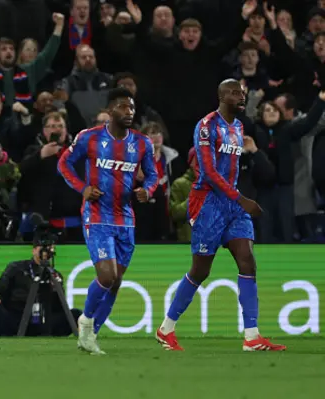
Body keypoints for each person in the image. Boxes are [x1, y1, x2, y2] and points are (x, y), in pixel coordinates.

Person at [157, 79, 286, 352]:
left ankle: (251, 336)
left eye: (243, 92)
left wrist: (237, 200)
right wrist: (242, 199)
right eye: (236, 93)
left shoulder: (238, 127)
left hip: (232, 205)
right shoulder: (206, 126)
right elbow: (209, 172)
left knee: (247, 261)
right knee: (200, 270)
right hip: (207, 204)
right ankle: (166, 328)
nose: (242, 97)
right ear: (223, 96)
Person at [57, 87, 158, 355]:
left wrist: (147, 191)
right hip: (97, 215)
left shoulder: (142, 143)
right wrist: (83, 189)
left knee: (116, 281)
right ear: (111, 110)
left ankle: (91, 336)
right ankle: (86, 321)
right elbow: (64, 165)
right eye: (124, 107)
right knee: (107, 275)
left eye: (132, 108)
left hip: (125, 219)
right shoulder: (89, 138)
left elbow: (152, 175)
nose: (130, 112)